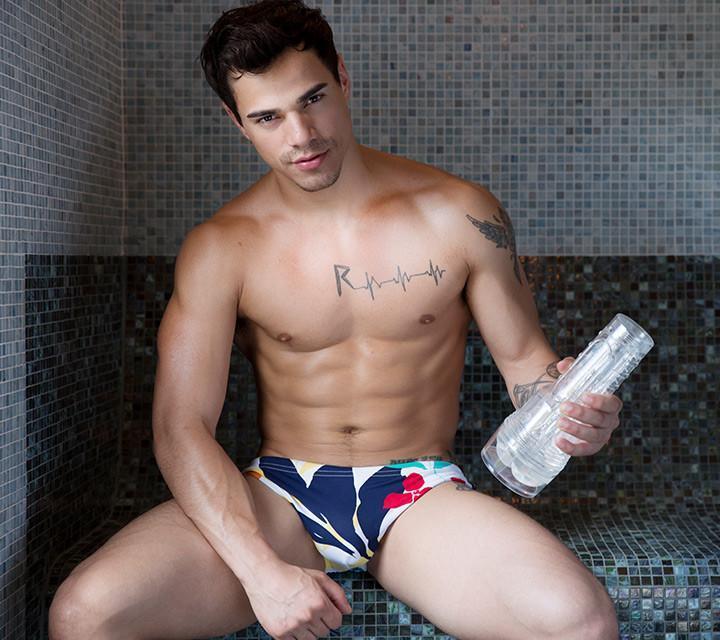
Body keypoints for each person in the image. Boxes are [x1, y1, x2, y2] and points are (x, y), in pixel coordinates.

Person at [49, 1, 624, 639]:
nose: (301, 135)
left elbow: (525, 366)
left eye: (313, 99)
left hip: (418, 494)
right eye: (268, 117)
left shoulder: (460, 215)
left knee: (580, 622)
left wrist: (571, 413)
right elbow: (179, 426)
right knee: (86, 615)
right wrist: (261, 572)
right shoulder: (222, 248)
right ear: (237, 122)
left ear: (343, 78)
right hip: (280, 495)